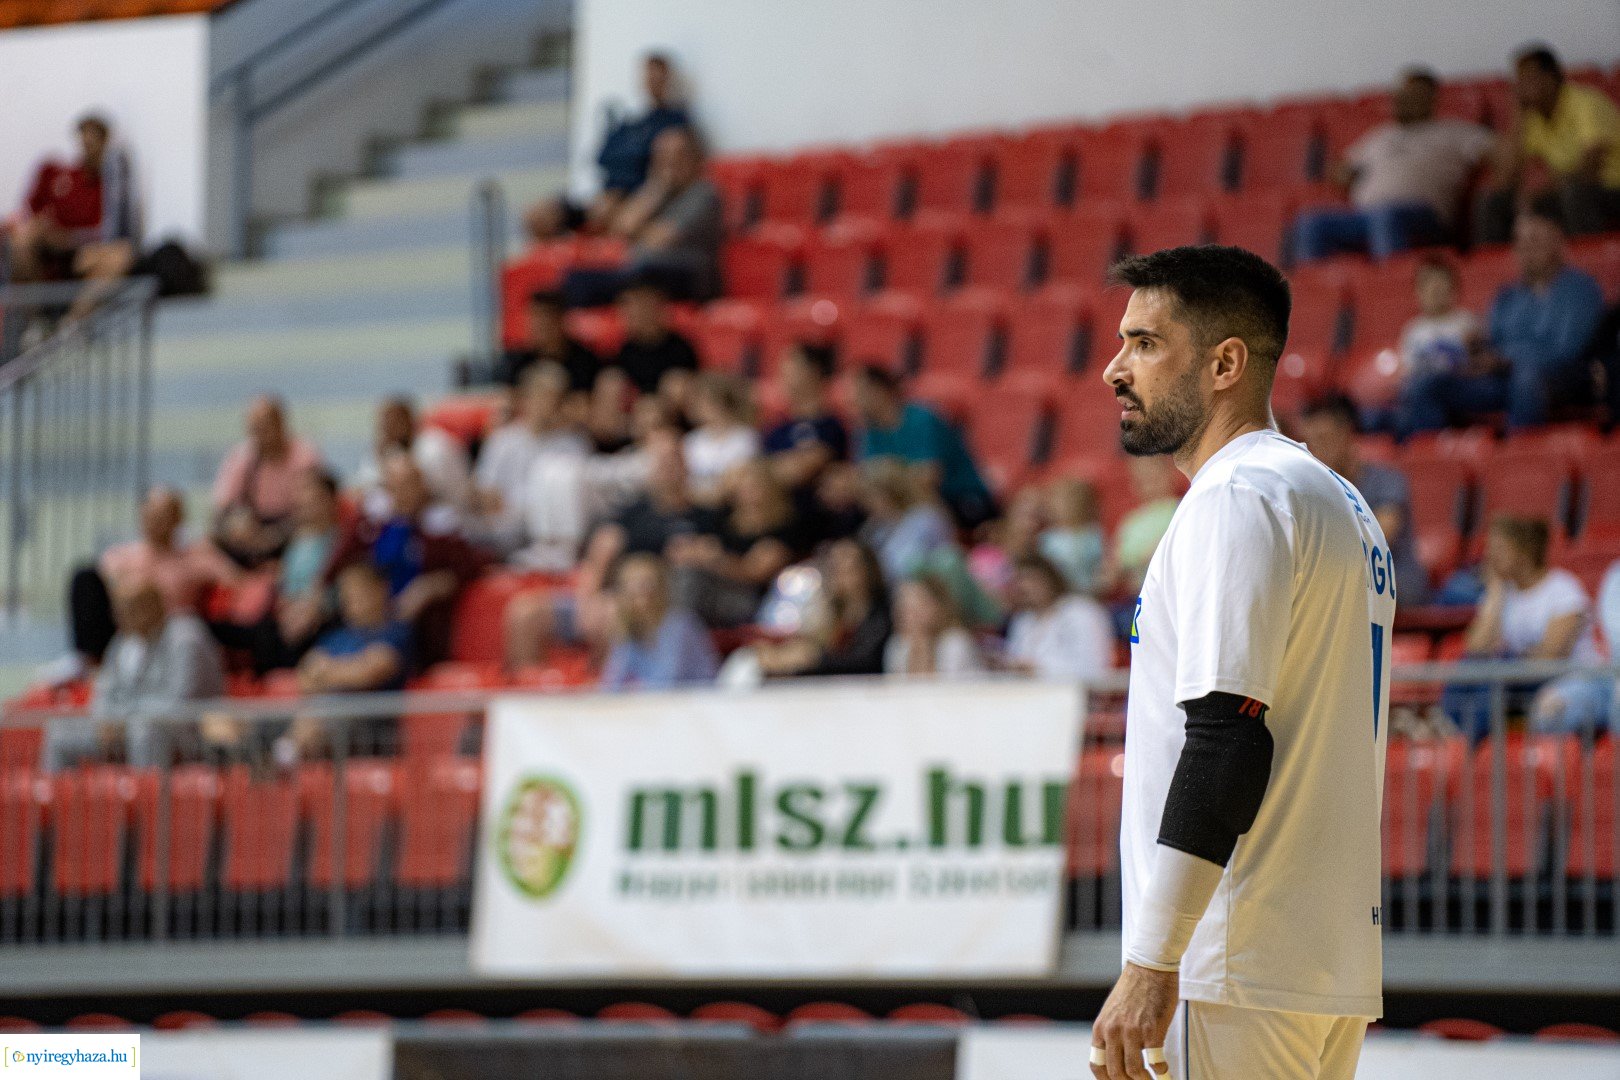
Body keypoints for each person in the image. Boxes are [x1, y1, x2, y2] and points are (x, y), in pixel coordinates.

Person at [1089, 245, 1393, 1079]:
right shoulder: (1338, 500)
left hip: (1233, 957)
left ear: (1226, 363)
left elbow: (1230, 738)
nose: (1116, 369)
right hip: (1317, 960)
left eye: (1146, 344)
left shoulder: (1237, 496)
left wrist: (1152, 961)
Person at [1398, 199, 1604, 434]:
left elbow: (1568, 350)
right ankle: (1440, 462)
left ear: (1557, 240)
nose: (1526, 249)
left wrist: (1509, 359)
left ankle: (1517, 463)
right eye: (1521, 242)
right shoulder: (1507, 296)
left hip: (1561, 379)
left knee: (1527, 377)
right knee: (1427, 383)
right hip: (1503, 379)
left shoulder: (1579, 289)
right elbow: (1490, 344)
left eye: (1535, 240)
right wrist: (1477, 352)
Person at [502, 432, 702, 670]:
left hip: (654, 602)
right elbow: (600, 552)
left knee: (615, 614)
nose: (666, 468)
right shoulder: (632, 511)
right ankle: (531, 690)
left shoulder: (701, 515)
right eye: (659, 461)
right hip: (610, 595)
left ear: (686, 465)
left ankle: (605, 689)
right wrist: (587, 600)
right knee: (525, 612)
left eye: (673, 459)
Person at [1293, 70, 1496, 262]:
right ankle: (1314, 294)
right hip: (1365, 215)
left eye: (1414, 95)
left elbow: (1498, 150)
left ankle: (1392, 290)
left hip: (1424, 218)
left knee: (1385, 217)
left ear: (1431, 98)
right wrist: (1344, 175)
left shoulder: (1454, 131)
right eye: (1402, 94)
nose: (1404, 100)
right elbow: (1340, 168)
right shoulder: (1381, 136)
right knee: (1311, 224)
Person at [1446, 515, 1603, 741]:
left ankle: (1466, 740)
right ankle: (1457, 733)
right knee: (1470, 667)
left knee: (1497, 673)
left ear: (1523, 552)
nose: (1490, 556)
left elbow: (1550, 656)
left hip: (1567, 679)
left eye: (1499, 548)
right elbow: (1475, 647)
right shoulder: (1503, 593)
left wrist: (1508, 657)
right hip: (1518, 682)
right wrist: (1495, 591)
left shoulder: (1562, 589)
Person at [324, 453, 489, 667]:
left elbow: (473, 566)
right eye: (395, 487)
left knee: (377, 661)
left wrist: (432, 585)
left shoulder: (441, 525)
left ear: (422, 485)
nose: (404, 494)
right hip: (364, 625)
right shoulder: (370, 524)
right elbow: (336, 566)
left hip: (414, 632)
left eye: (410, 484)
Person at [45, 579, 224, 771]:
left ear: (153, 605)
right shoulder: (123, 640)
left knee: (143, 731)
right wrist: (107, 720)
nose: (120, 617)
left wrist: (126, 719)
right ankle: (55, 799)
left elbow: (181, 700)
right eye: (119, 610)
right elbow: (104, 691)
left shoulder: (186, 637)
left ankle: (147, 798)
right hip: (124, 725)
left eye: (130, 610)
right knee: (60, 733)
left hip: (185, 730)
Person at [63, 486, 234, 674]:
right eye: (151, 515)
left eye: (163, 516)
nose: (157, 522)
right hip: (126, 635)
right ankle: (89, 664)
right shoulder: (121, 558)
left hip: (174, 640)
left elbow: (241, 584)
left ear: (178, 518)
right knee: (85, 577)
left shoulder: (196, 560)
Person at [523, 52, 690, 243]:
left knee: (620, 220)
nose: (652, 81)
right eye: (648, 75)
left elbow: (668, 173)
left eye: (657, 76)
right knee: (536, 216)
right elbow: (602, 157)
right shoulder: (631, 124)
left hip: (638, 200)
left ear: (667, 79)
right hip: (603, 199)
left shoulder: (676, 122)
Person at [562, 126, 726, 305]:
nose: (670, 165)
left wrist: (637, 233)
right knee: (576, 278)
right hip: (646, 272)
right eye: (663, 158)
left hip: (689, 274)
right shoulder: (660, 192)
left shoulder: (703, 194)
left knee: (630, 275)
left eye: (678, 157)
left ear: (695, 159)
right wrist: (657, 186)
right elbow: (621, 228)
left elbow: (660, 239)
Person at [274, 562, 414, 763]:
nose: (350, 598)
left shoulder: (396, 632)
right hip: (324, 720)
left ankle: (280, 762)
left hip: (371, 729)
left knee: (317, 719)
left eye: (358, 589)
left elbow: (372, 672)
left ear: (379, 589)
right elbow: (305, 677)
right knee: (262, 721)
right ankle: (279, 760)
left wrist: (328, 671)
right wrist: (349, 669)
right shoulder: (336, 637)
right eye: (346, 591)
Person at [1479, 44, 1620, 242]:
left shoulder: (1586, 102)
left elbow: (1590, 169)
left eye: (1529, 78)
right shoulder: (1533, 118)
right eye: (1518, 80)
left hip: (1609, 188)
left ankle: (1589, 263)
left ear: (1551, 77)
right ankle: (1494, 270)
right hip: (1569, 191)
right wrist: (1518, 115)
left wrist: (1542, 192)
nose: (1521, 86)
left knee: (1574, 194)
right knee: (1493, 203)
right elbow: (1505, 178)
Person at [208, 469, 343, 675]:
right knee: (219, 629)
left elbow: (336, 588)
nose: (303, 501)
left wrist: (308, 609)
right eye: (301, 495)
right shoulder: (296, 539)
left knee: (272, 636)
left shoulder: (340, 541)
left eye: (311, 496)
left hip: (318, 619)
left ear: (329, 500)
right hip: (284, 615)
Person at [1299, 395, 1431, 606]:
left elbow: (1377, 536)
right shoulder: (1312, 489)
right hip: (1344, 584)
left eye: (1323, 439)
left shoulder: (1386, 480)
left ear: (1347, 435)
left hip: (1392, 582)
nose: (1315, 450)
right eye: (1309, 442)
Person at [669, 458, 816, 628]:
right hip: (717, 590)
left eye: (755, 487)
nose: (748, 493)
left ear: (771, 488)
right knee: (684, 574)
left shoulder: (785, 526)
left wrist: (715, 559)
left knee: (691, 580)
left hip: (758, 599)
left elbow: (754, 573)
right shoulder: (724, 520)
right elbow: (688, 550)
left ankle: (677, 635)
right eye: (744, 487)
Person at [6, 114, 139, 294]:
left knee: (118, 257)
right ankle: (30, 310)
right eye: (85, 142)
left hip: (82, 253)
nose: (89, 150)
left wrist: (69, 239)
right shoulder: (57, 173)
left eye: (94, 144)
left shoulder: (109, 188)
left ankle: (72, 321)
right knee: (23, 239)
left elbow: (110, 234)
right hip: (47, 250)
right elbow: (30, 212)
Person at [852, 363, 995, 529]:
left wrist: (888, 473)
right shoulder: (869, 430)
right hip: (907, 504)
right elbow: (865, 478)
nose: (853, 399)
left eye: (859, 393)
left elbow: (929, 476)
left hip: (958, 497)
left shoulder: (922, 418)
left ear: (879, 390)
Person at [471, 362, 590, 553]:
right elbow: (485, 491)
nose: (548, 406)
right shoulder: (501, 440)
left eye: (555, 399)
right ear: (525, 399)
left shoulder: (574, 443)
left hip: (554, 531)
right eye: (543, 398)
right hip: (507, 527)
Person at [749, 538, 894, 679]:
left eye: (847, 568)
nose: (839, 574)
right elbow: (811, 646)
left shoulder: (882, 616)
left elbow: (866, 663)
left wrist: (814, 660)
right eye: (835, 567)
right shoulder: (829, 614)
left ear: (867, 570)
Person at [211, 395, 324, 567]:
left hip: (292, 531)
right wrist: (235, 525)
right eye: (255, 429)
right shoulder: (240, 457)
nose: (260, 436)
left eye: (265, 427)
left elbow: (316, 507)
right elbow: (221, 510)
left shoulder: (305, 455)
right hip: (251, 533)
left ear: (281, 424)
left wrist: (276, 535)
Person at [600, 553, 718, 691]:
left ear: (661, 588)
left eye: (646, 583)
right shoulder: (628, 630)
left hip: (698, 702)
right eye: (632, 584)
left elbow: (668, 682)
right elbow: (611, 685)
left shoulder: (680, 624)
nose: (640, 591)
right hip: (661, 705)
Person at [353, 396, 472, 517]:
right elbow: (362, 488)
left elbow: (425, 494)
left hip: (449, 507)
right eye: (384, 425)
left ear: (409, 421)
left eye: (394, 422)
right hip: (413, 512)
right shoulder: (389, 449)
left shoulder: (436, 446)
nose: (387, 429)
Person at [1002, 554, 1113, 682]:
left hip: (1075, 696)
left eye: (1033, 579)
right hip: (1026, 696)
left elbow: (1093, 668)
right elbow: (1015, 662)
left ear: (1050, 579)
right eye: (1020, 581)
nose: (1026, 587)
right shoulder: (1022, 620)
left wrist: (1038, 670)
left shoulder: (1082, 612)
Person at [762, 342, 850, 494]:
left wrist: (768, 469)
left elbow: (801, 471)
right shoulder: (777, 428)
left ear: (814, 371)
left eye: (791, 366)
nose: (783, 373)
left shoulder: (831, 427)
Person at [1395, 257, 1481, 391]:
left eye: (1441, 282)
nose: (1435, 287)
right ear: (1417, 292)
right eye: (1427, 283)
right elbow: (1408, 371)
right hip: (1423, 391)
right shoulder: (1412, 330)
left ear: (1455, 289)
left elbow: (1478, 363)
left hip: (1461, 387)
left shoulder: (1467, 322)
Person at [606, 276, 700, 395]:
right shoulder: (624, 351)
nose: (628, 314)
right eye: (625, 307)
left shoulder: (680, 349)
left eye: (638, 306)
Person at [884, 574, 985, 678]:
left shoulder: (955, 642)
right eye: (904, 610)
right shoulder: (896, 646)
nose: (909, 617)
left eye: (917, 607)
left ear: (938, 607)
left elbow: (953, 690)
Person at [498, 290, 603, 391]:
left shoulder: (585, 362)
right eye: (533, 317)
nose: (537, 325)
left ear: (560, 320)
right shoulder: (517, 361)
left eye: (544, 317)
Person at [682, 372, 760, 503]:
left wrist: (714, 495)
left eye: (707, 400)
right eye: (698, 401)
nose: (702, 407)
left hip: (734, 504)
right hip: (697, 507)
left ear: (723, 401)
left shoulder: (745, 437)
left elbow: (741, 479)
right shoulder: (691, 440)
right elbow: (685, 483)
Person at [1112, 454, 1180, 597]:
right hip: (1139, 593)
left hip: (1172, 588)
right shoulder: (1130, 522)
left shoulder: (1180, 508)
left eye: (1154, 478)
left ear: (1170, 475)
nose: (1149, 485)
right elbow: (1116, 563)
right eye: (1142, 481)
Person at [1040, 477, 1108, 596]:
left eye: (1071, 500)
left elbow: (1104, 566)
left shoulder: (1094, 534)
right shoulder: (1046, 540)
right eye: (1059, 501)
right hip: (1060, 598)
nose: (1065, 506)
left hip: (1093, 595)